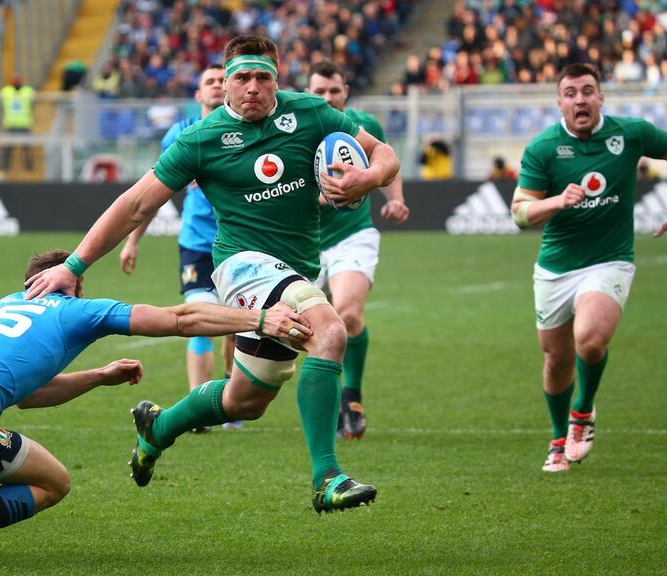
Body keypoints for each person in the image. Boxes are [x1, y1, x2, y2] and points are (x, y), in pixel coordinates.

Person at [26, 36, 400, 513]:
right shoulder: (201, 139)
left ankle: (156, 429)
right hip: (241, 267)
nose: (252, 88)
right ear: (225, 83)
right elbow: (136, 203)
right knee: (329, 331)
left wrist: (370, 176)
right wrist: (73, 265)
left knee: (246, 401)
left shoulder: (311, 113)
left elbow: (384, 154)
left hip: (298, 268)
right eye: (242, 77)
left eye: (263, 77)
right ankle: (327, 477)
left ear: (277, 80)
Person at [0, 249, 309, 563]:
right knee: (54, 482)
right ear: (71, 282)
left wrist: (99, 376)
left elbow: (25, 393)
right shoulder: (80, 309)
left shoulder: (4, 303)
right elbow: (177, 318)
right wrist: (259, 320)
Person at [511, 63, 667, 473]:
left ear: (601, 96)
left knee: (590, 339)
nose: (580, 99)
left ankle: (581, 413)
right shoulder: (543, 148)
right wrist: (558, 201)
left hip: (610, 260)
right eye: (571, 93)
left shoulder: (629, 133)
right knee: (556, 360)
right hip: (556, 267)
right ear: (560, 102)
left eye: (587, 90)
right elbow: (520, 213)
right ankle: (558, 439)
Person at [118, 63, 236, 434]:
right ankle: (199, 408)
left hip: (239, 243)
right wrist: (133, 239)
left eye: (222, 80)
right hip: (197, 246)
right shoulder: (180, 135)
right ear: (199, 95)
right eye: (209, 81)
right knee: (201, 321)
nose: (217, 85)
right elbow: (155, 193)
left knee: (238, 327)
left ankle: (232, 382)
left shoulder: (248, 132)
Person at [305, 59, 410, 440]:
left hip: (354, 233)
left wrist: (394, 199)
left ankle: (352, 396)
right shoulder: (298, 127)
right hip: (306, 242)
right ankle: (329, 398)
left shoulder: (364, 127)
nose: (328, 97)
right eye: (319, 91)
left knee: (347, 313)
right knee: (312, 328)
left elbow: (388, 161)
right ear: (308, 93)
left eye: (334, 90)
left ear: (346, 91)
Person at [0, 74, 35, 171]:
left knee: (26, 148)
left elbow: (33, 103)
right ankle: (5, 167)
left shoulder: (28, 91)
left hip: (24, 124)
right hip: (11, 124)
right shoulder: (6, 91)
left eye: (18, 79)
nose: (16, 81)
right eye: (15, 80)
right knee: (8, 148)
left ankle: (29, 167)